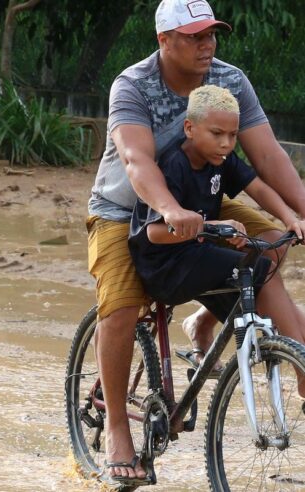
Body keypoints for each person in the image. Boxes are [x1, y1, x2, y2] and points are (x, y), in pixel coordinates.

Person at [86, 0, 305, 484]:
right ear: (164, 41)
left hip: (201, 201)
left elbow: (266, 157)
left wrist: (300, 213)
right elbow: (136, 160)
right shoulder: (133, 85)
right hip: (130, 209)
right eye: (194, 36)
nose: (207, 44)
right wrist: (169, 210)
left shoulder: (230, 80)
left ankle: (208, 317)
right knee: (121, 306)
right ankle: (120, 431)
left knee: (270, 240)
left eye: (212, 34)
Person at [129, 85, 305, 390]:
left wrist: (291, 219)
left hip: (196, 256)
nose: (226, 144)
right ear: (190, 128)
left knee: (262, 256)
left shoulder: (220, 161)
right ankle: (302, 371)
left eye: (233, 135)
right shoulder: (175, 165)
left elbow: (258, 188)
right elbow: (154, 233)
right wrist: (213, 226)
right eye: (217, 133)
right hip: (165, 267)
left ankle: (289, 350)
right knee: (255, 270)